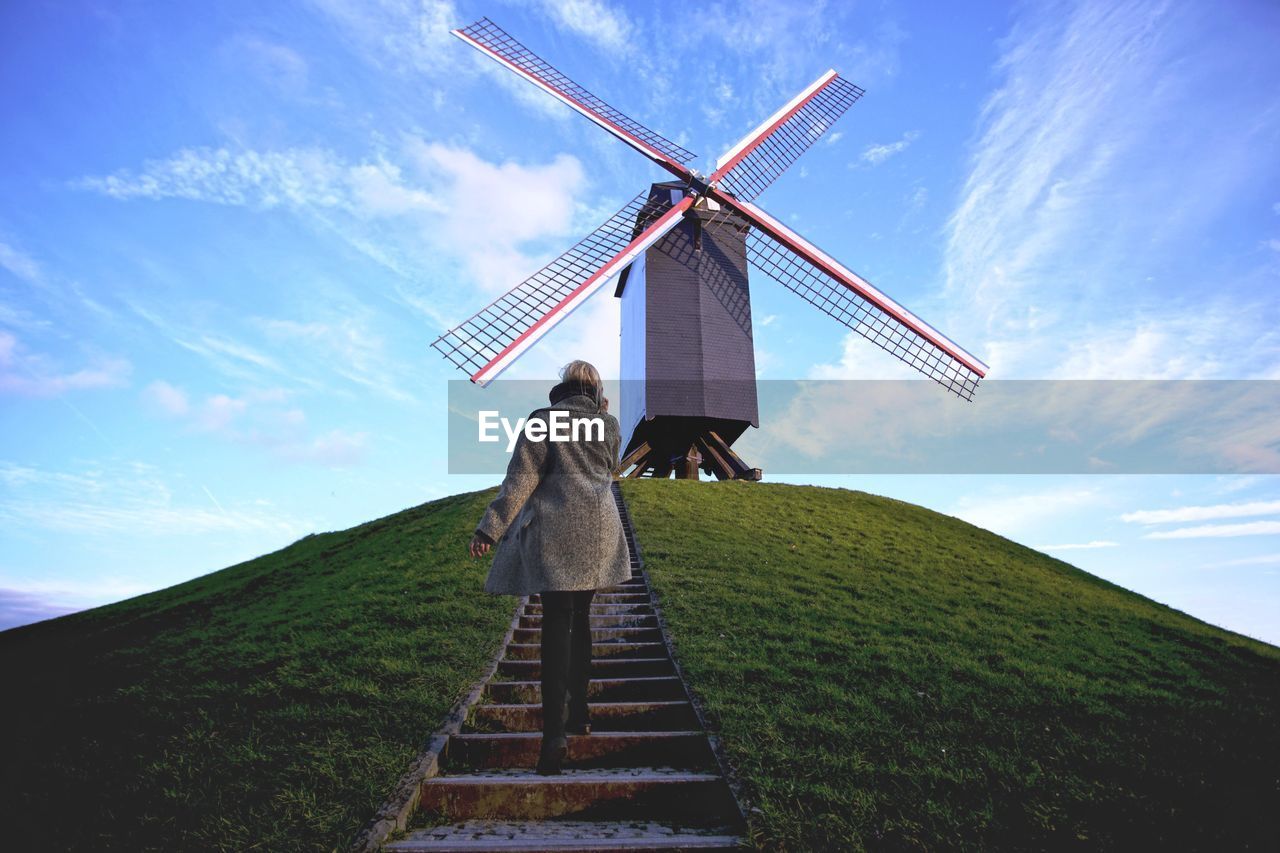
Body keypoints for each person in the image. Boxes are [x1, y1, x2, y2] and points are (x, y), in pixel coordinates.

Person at [468, 359, 632, 775]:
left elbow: (521, 478)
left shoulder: (543, 421)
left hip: (555, 532)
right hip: (597, 530)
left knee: (557, 621)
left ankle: (553, 738)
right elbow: (610, 466)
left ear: (562, 386)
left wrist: (490, 528)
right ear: (594, 390)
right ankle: (581, 712)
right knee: (582, 617)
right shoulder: (608, 424)